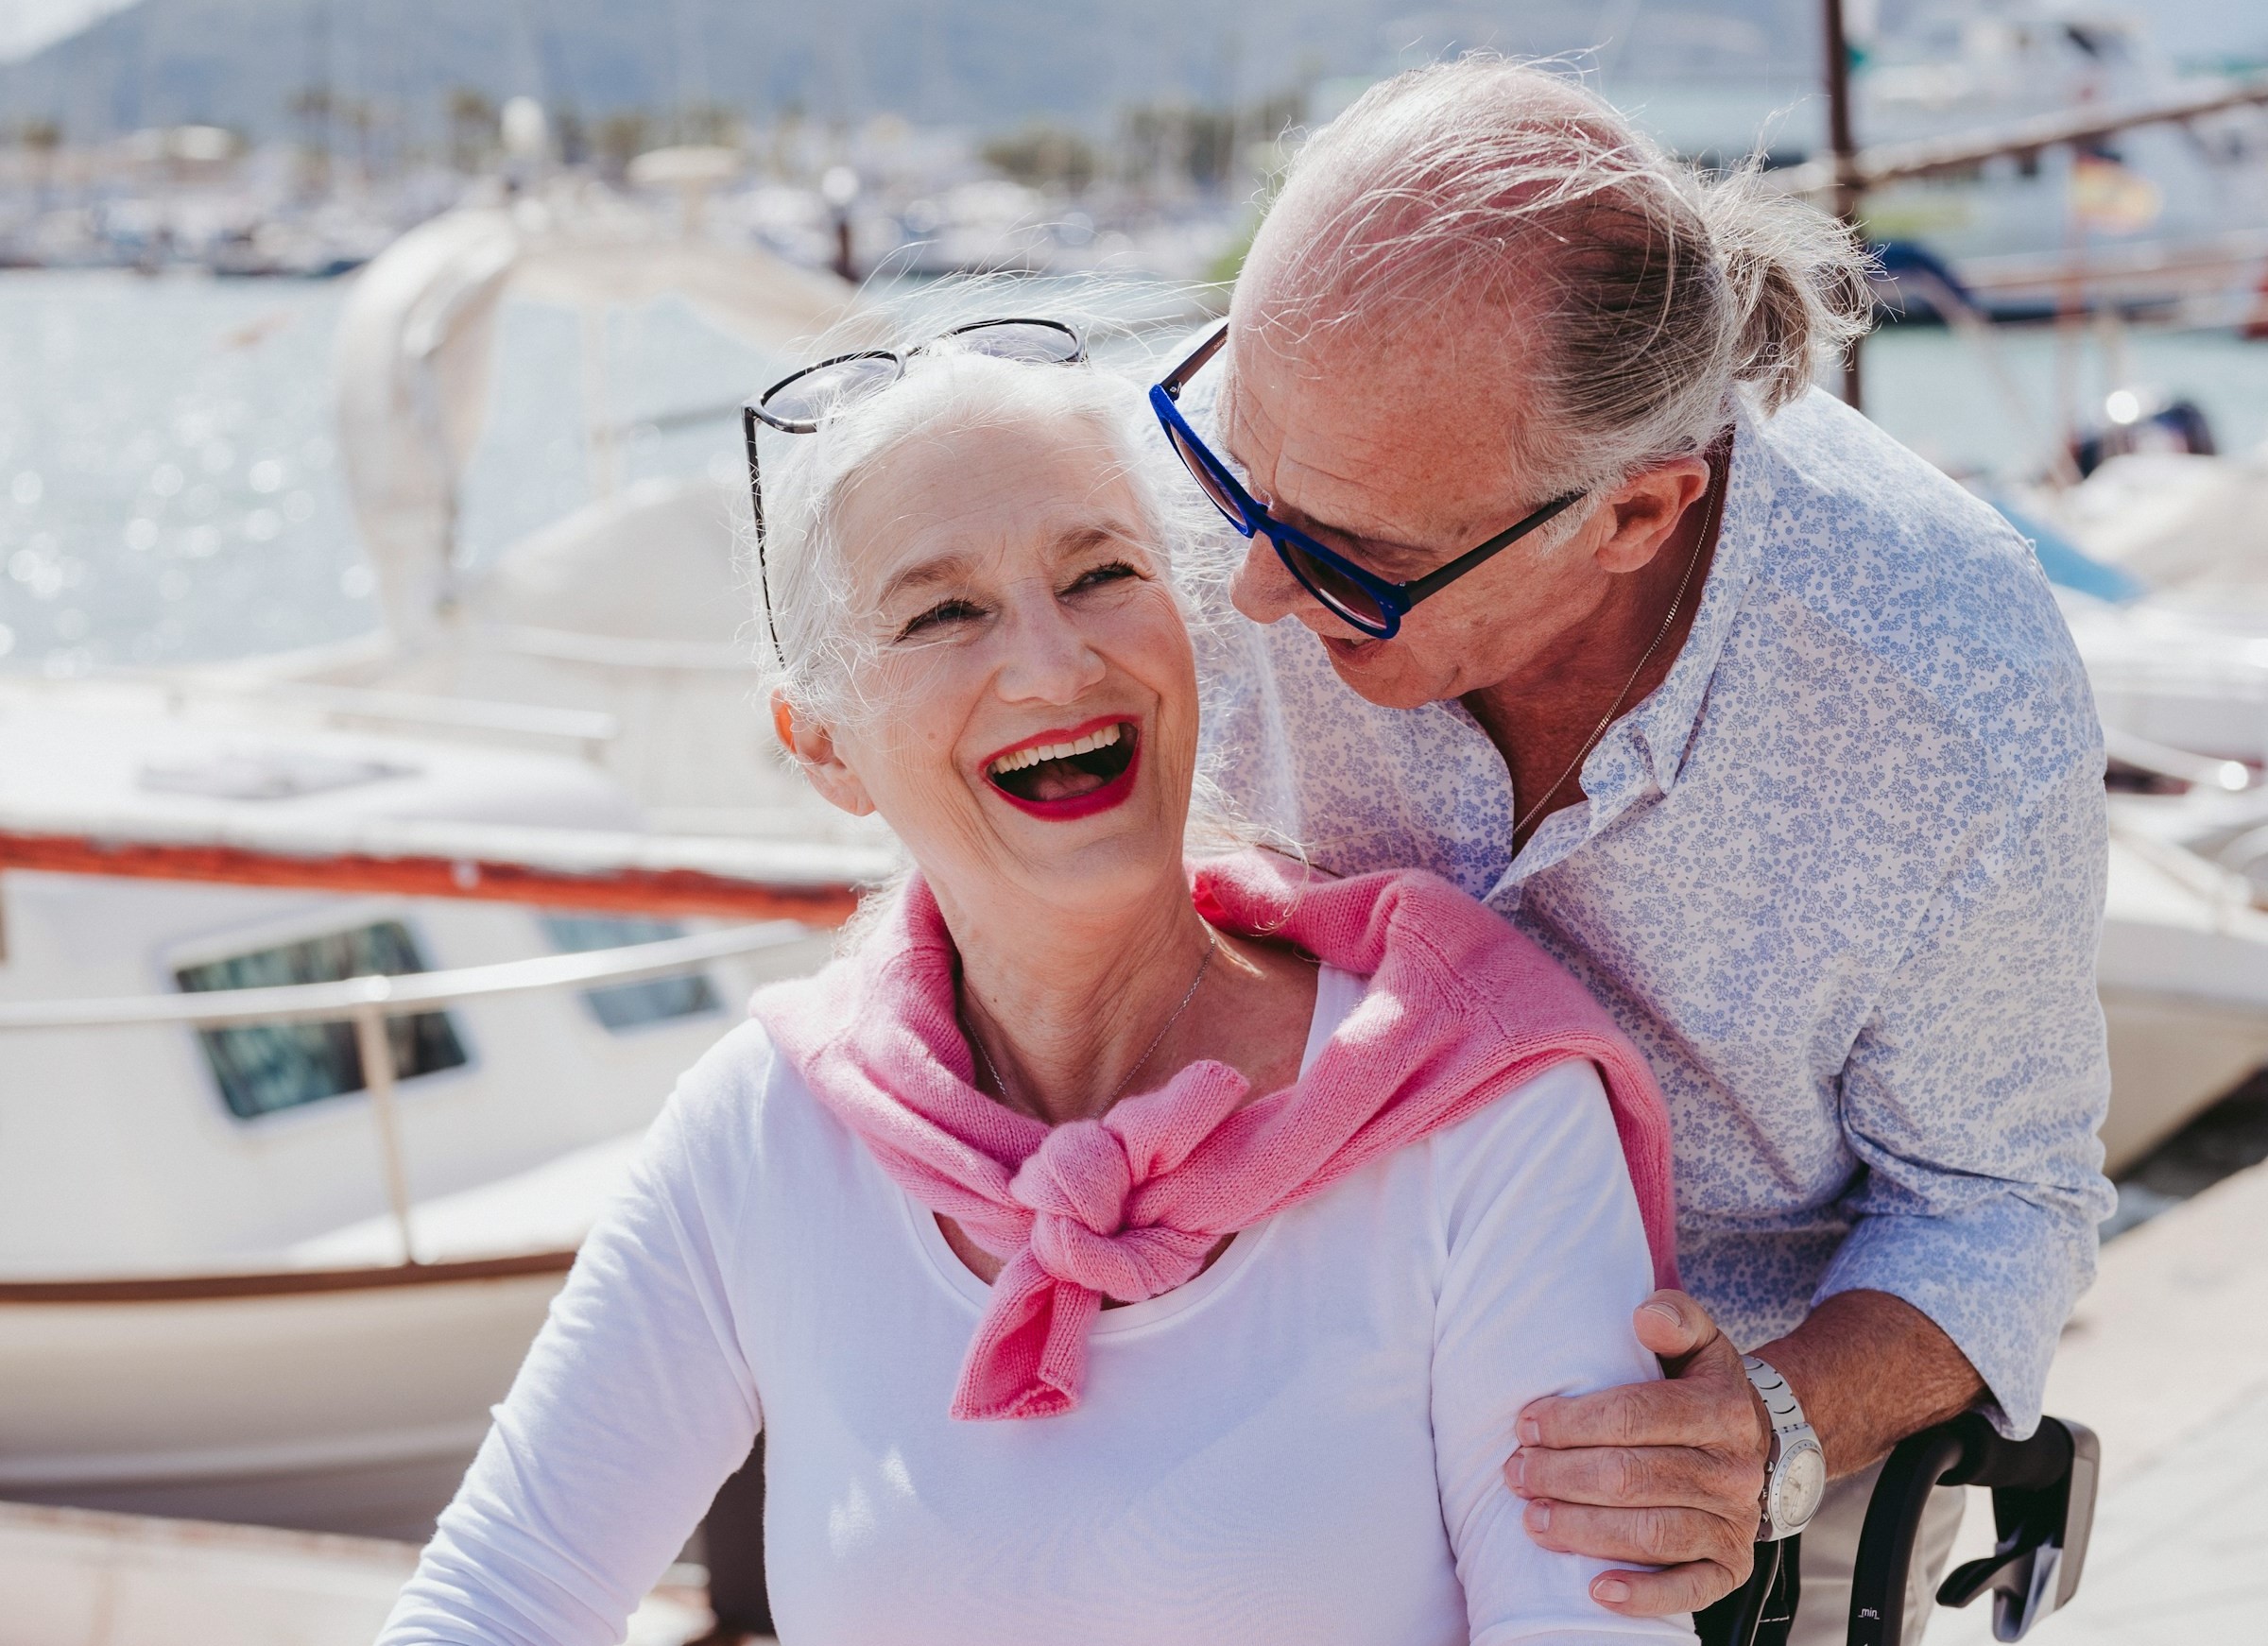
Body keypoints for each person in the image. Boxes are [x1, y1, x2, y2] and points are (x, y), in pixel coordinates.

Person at [380, 325, 1700, 1646]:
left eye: (1101, 573)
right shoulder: (762, 1134)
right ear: (822, 745)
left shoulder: (1479, 1112)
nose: (1056, 664)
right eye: (944, 610)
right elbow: (498, 1600)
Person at [1159, 59, 2117, 1644]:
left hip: (1696, 1452)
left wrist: (1772, 1431)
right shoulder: (1256, 494)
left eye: (1357, 560)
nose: (1252, 589)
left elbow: (2000, 1200)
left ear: (1636, 514)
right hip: (1258, 1375)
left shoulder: (1948, 690)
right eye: (1236, 461)